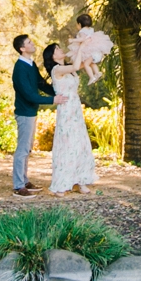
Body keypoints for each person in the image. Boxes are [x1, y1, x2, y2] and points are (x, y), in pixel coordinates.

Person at [12, 34, 68, 198]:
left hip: (31, 112)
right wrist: (53, 99)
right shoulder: (20, 68)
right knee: (22, 150)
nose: (33, 43)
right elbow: (29, 94)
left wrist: (58, 90)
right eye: (29, 42)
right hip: (24, 113)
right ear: (22, 48)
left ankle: (24, 180)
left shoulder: (31, 64)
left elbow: (41, 84)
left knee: (27, 148)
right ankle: (18, 186)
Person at [43, 42, 98, 195]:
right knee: (67, 143)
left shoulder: (69, 68)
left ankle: (80, 180)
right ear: (52, 56)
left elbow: (82, 64)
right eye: (57, 49)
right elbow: (74, 66)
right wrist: (80, 47)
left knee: (80, 143)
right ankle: (63, 182)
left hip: (75, 109)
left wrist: (94, 50)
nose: (61, 50)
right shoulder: (57, 69)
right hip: (66, 110)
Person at [70, 13, 114, 83]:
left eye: (77, 24)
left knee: (86, 64)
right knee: (91, 63)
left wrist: (73, 40)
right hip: (95, 52)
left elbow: (83, 39)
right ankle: (97, 72)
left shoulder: (82, 31)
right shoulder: (90, 29)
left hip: (89, 52)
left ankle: (92, 77)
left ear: (80, 24)